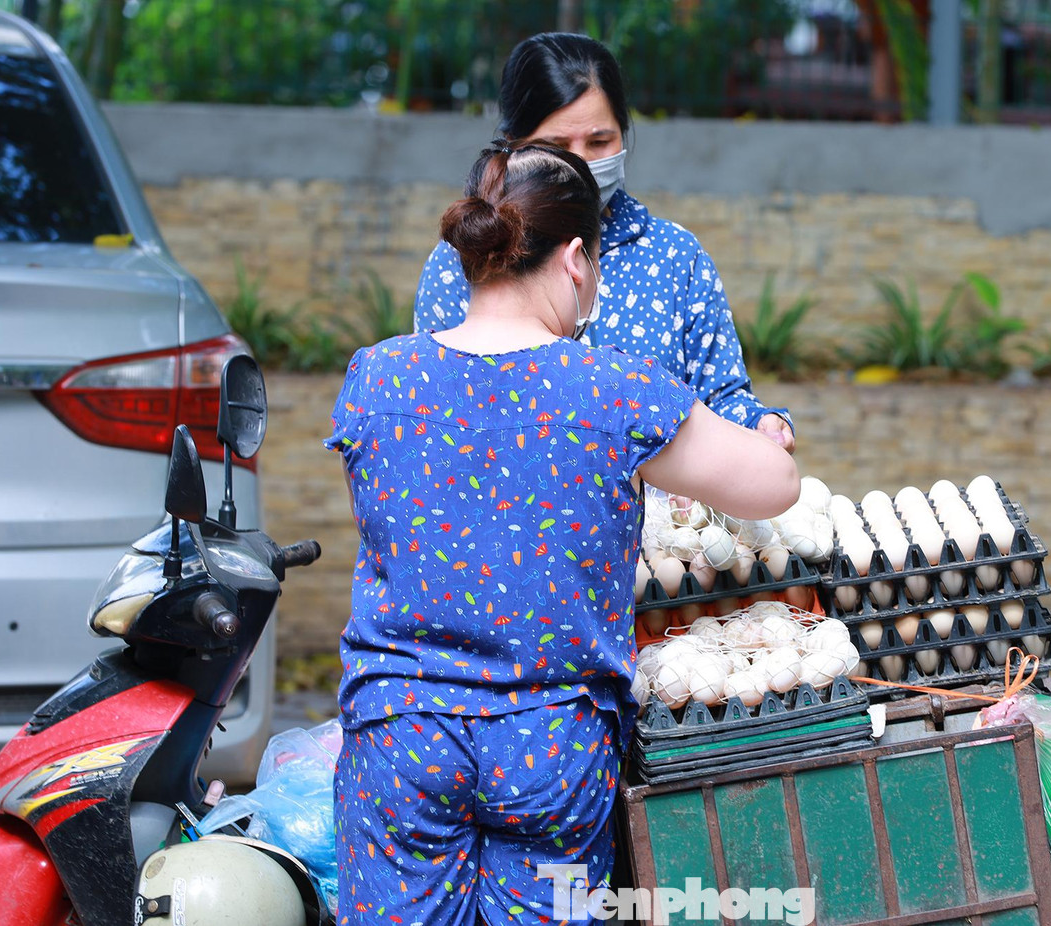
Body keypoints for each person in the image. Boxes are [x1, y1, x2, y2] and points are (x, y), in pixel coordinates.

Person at [326, 143, 799, 925]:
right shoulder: (614, 390)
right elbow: (773, 485)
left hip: (402, 732)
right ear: (576, 259)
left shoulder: (376, 377)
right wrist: (768, 435)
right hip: (551, 742)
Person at [415, 32, 797, 452]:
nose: (580, 162)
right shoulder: (467, 258)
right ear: (513, 145)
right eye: (556, 146)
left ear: (623, 134)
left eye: (599, 142)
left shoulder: (674, 256)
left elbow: (721, 398)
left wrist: (761, 425)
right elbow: (435, 408)